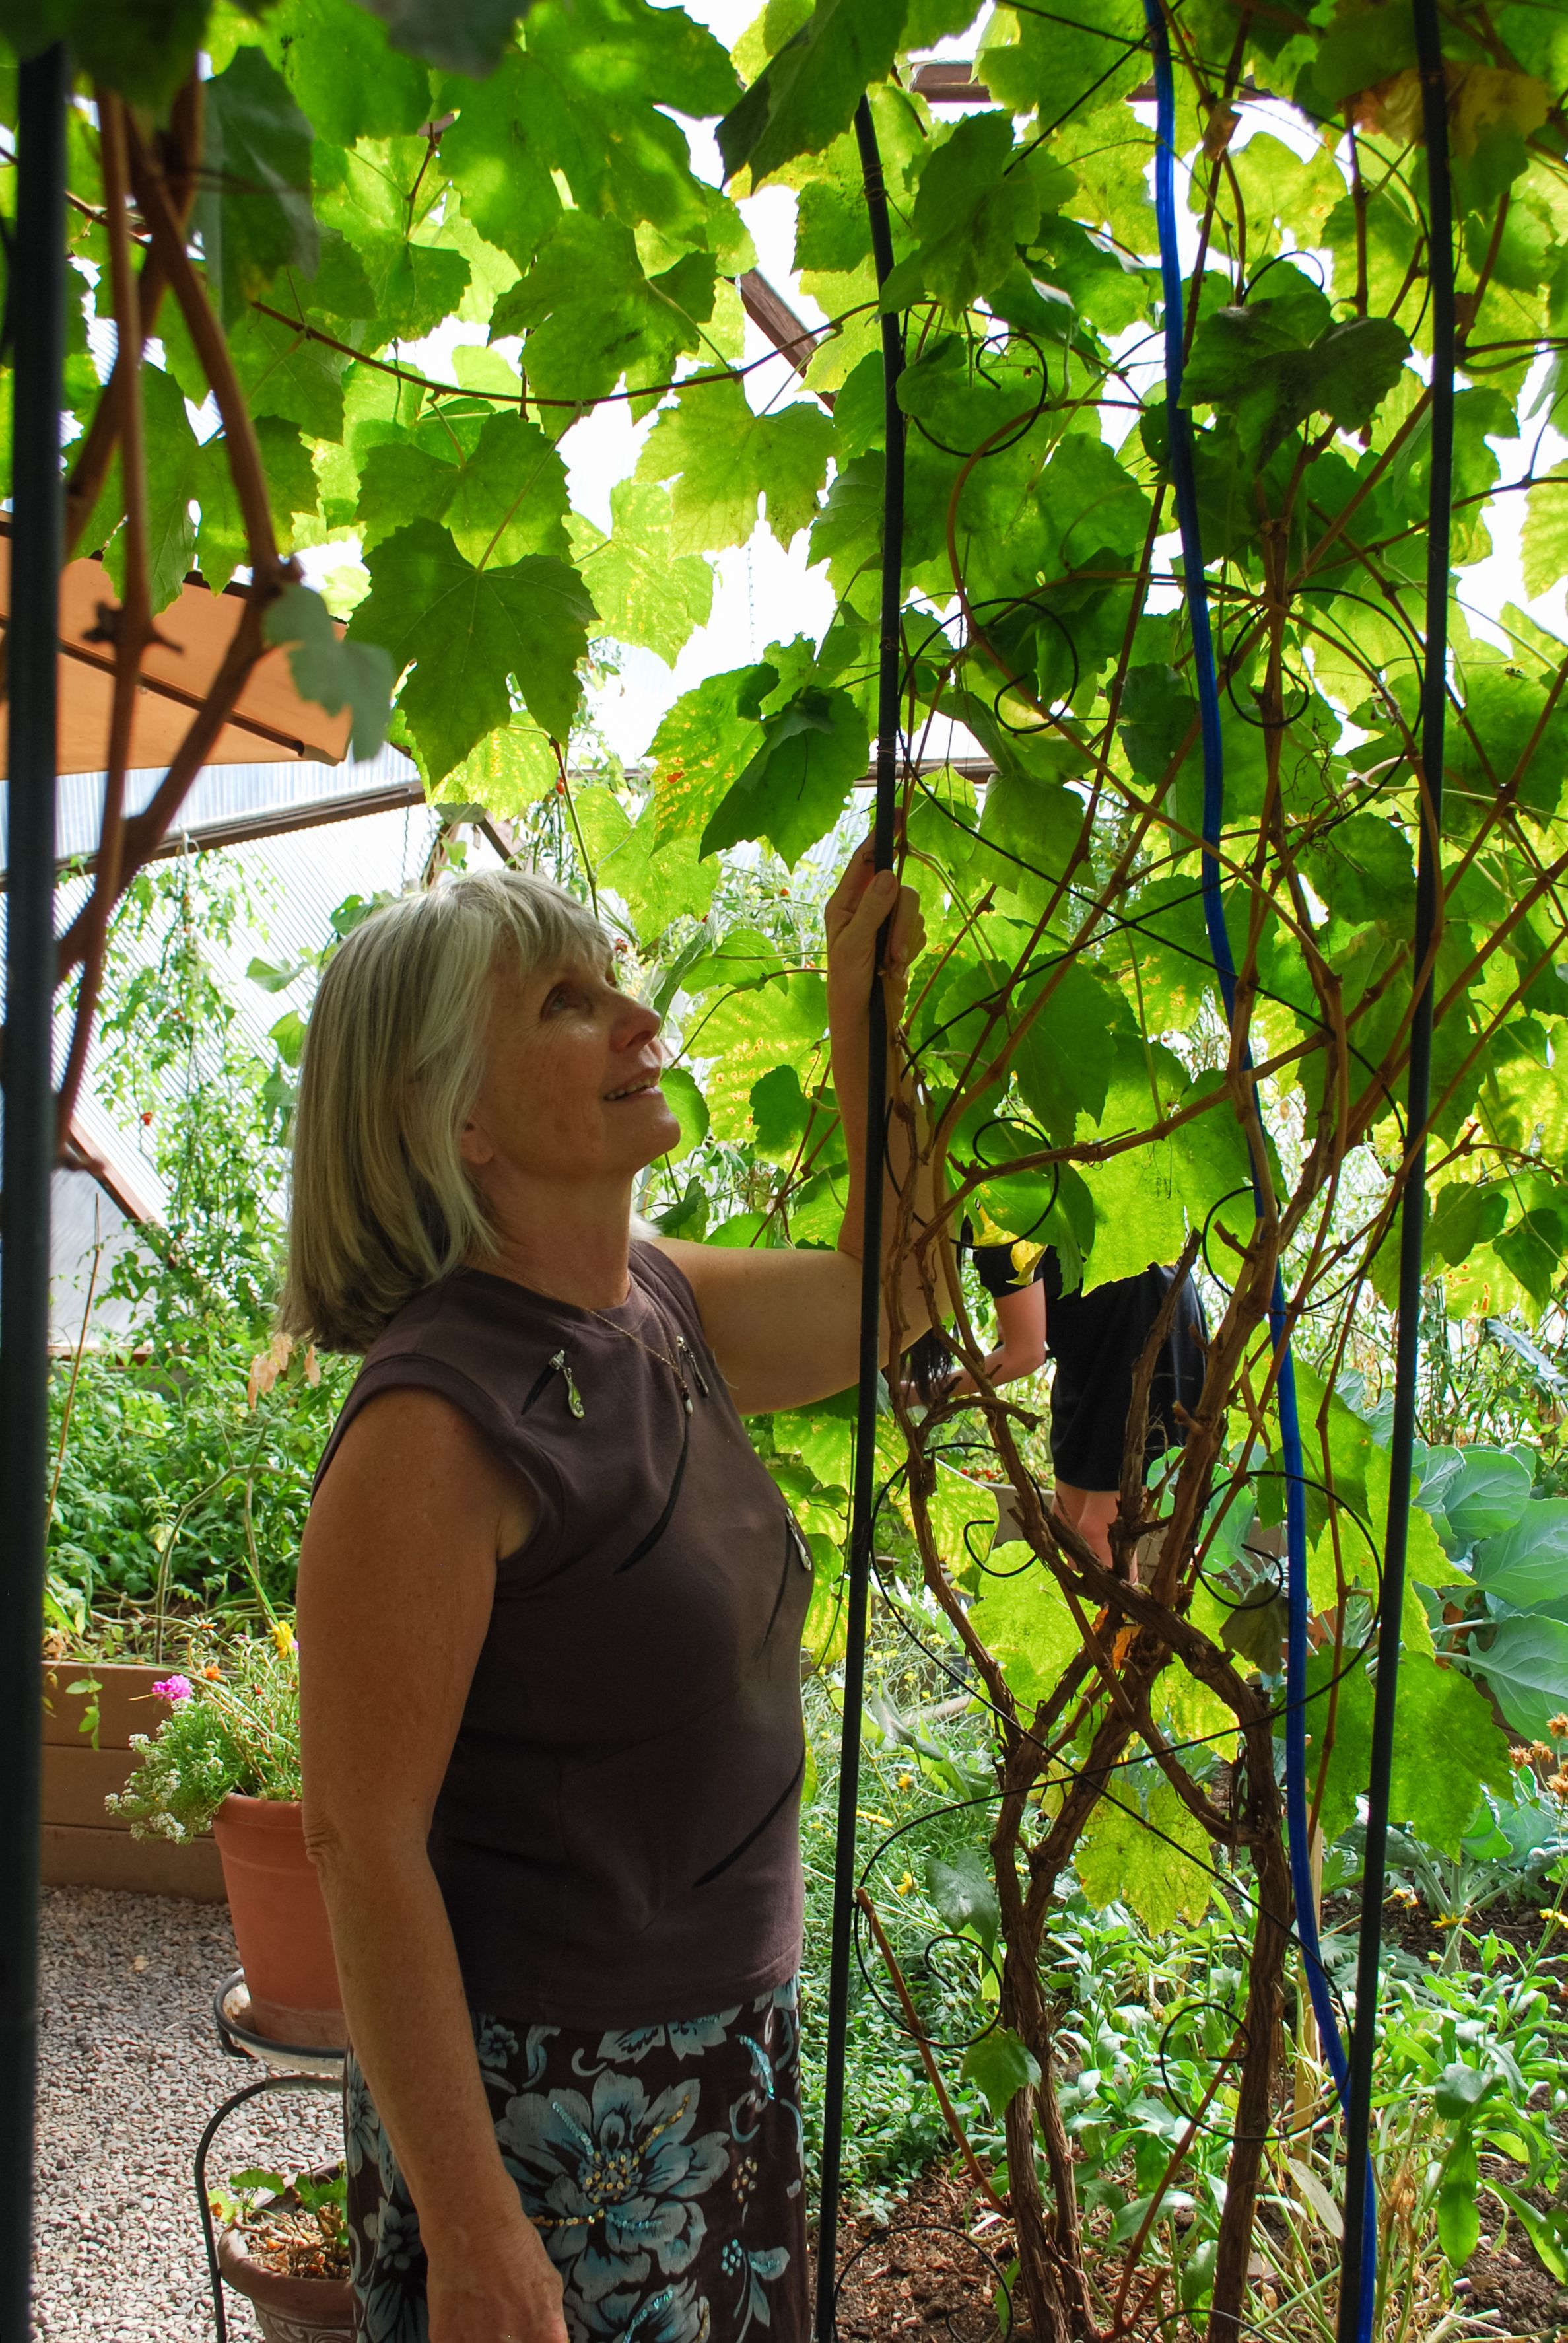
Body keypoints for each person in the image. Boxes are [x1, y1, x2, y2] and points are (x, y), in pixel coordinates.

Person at [281, 844, 925, 2343]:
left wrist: (863, 1031)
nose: (636, 1017)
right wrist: (473, 2226)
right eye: (568, 1002)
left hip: (720, 2068)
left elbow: (894, 1291)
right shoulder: (433, 1427)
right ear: (453, 1115)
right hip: (554, 2125)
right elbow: (357, 1839)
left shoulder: (657, 1304)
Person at [908, 1240, 1207, 1566]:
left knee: (1099, 1533)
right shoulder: (1002, 1216)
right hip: (1093, 1343)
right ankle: (1100, 1617)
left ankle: (1123, 1617)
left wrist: (916, 1392)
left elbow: (1023, 1354)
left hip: (1143, 1336)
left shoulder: (996, 1224)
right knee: (1067, 1526)